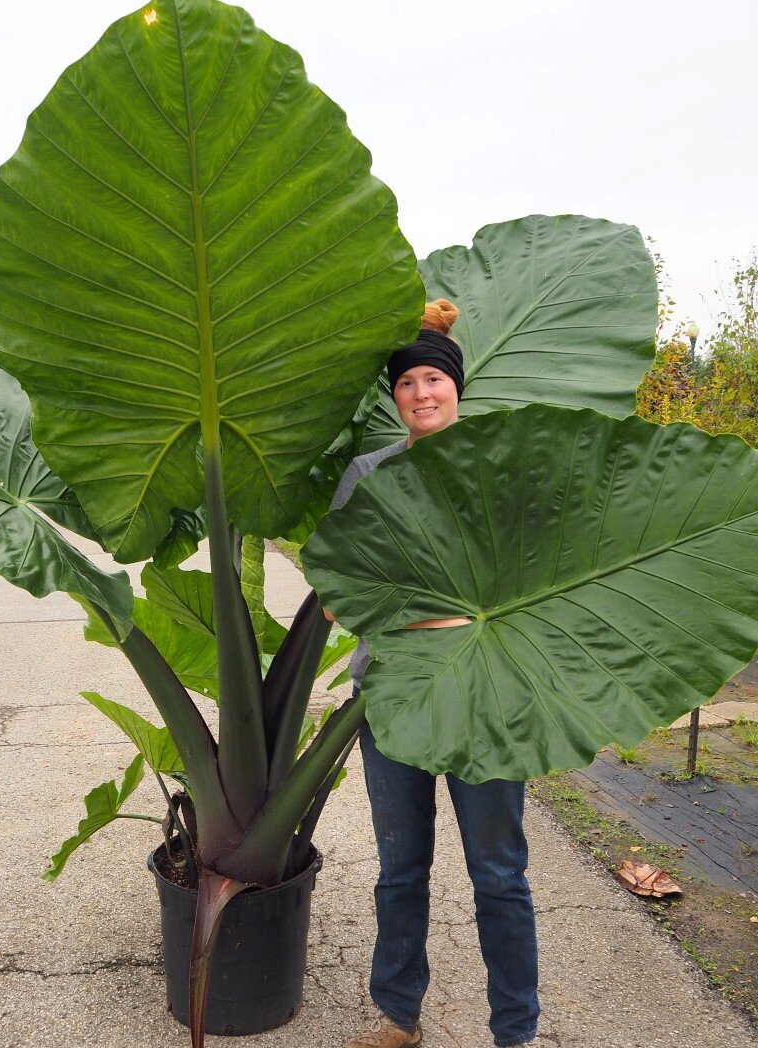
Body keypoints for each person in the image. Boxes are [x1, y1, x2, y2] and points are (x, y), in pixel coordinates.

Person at [331, 300, 540, 1048]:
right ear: (395, 397)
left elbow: (525, 583)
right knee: (400, 869)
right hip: (392, 695)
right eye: (409, 383)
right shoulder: (368, 473)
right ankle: (398, 1013)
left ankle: (515, 1030)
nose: (422, 393)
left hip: (484, 697)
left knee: (498, 874)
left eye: (434, 379)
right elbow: (342, 586)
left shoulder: (498, 468)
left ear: (456, 387)